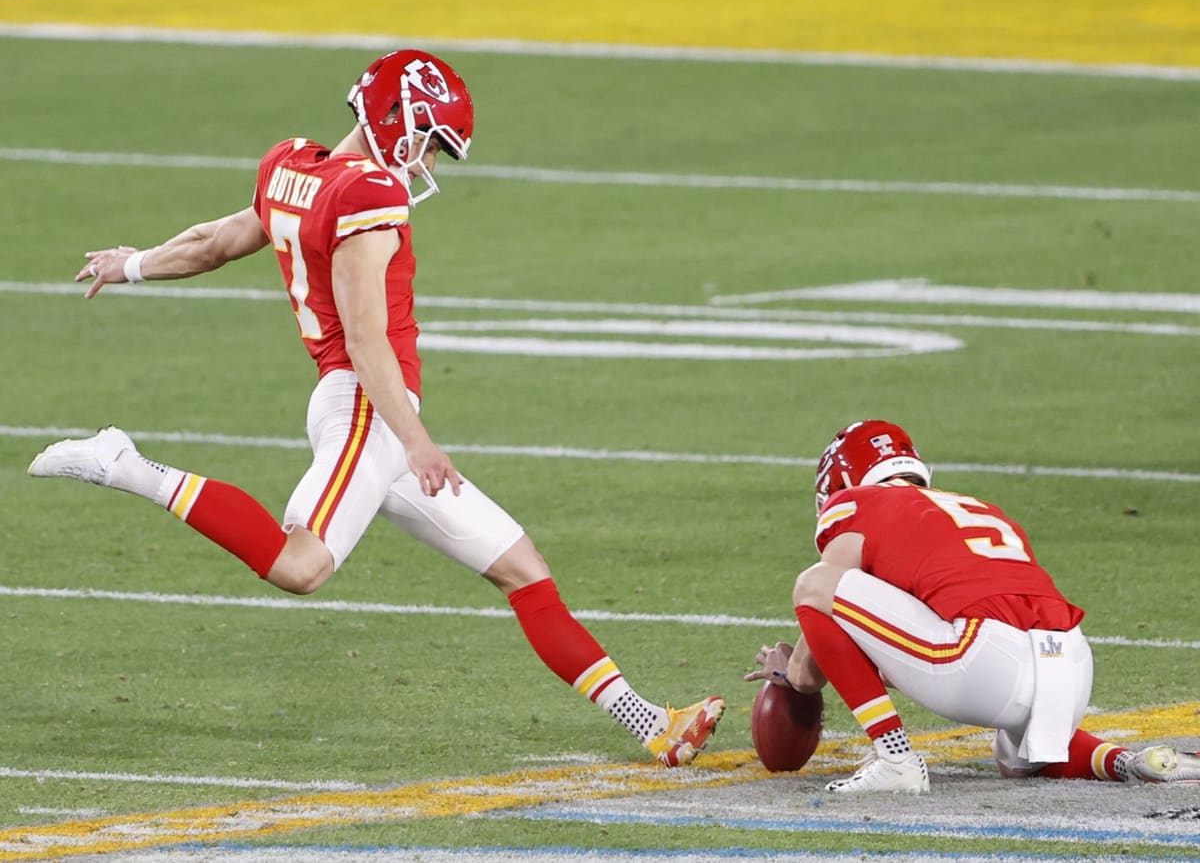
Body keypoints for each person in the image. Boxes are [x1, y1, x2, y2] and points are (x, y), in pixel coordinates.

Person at [28, 48, 724, 767]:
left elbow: (217, 242)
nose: (427, 160)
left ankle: (651, 725)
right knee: (303, 565)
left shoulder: (294, 164)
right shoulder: (367, 195)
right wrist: (415, 440)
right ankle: (129, 466)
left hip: (366, 407)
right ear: (394, 115)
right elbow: (365, 339)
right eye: (427, 138)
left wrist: (133, 263)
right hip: (368, 407)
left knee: (522, 569)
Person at [745, 419, 1199, 793]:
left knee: (815, 581)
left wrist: (792, 673)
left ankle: (895, 759)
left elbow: (812, 648)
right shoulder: (977, 507)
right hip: (1071, 662)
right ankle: (1130, 763)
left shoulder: (855, 503)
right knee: (1020, 755)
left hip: (984, 657)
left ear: (841, 483)